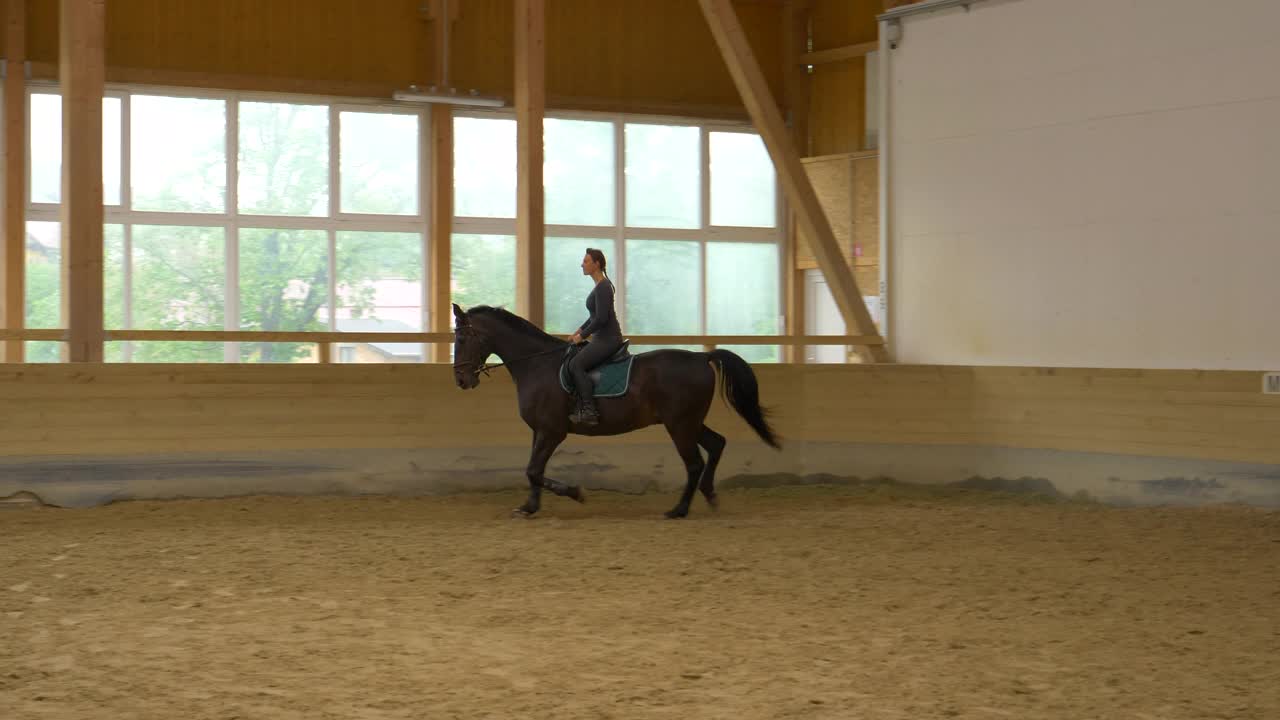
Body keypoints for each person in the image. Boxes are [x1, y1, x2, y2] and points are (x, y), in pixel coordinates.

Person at [567, 248, 623, 425]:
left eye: (586, 261)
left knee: (576, 365)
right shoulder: (599, 286)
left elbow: (601, 319)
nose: (581, 264)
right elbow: (594, 316)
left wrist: (582, 336)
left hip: (608, 339)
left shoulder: (603, 287)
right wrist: (578, 330)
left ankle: (590, 410)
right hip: (601, 338)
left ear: (596, 264)